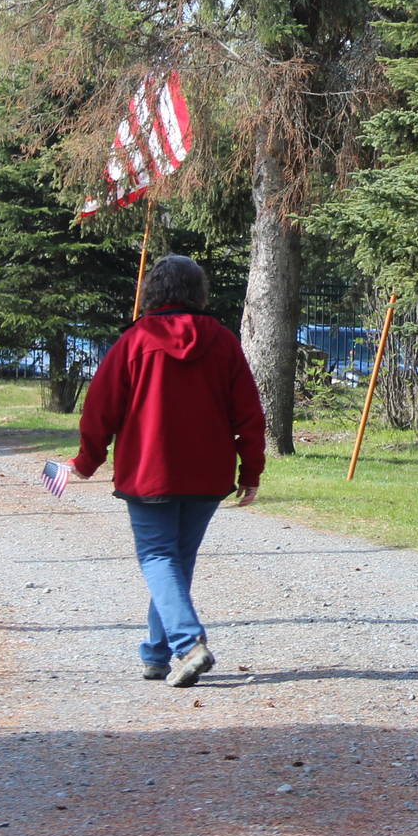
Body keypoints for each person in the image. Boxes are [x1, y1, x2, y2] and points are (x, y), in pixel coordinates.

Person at [69, 254, 265, 686]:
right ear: (199, 291)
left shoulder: (134, 341)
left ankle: (188, 643)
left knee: (158, 557)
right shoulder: (222, 340)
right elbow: (248, 413)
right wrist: (251, 470)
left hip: (149, 470)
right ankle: (156, 655)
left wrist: (87, 462)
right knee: (176, 561)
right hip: (206, 472)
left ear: (152, 291)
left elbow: (99, 409)